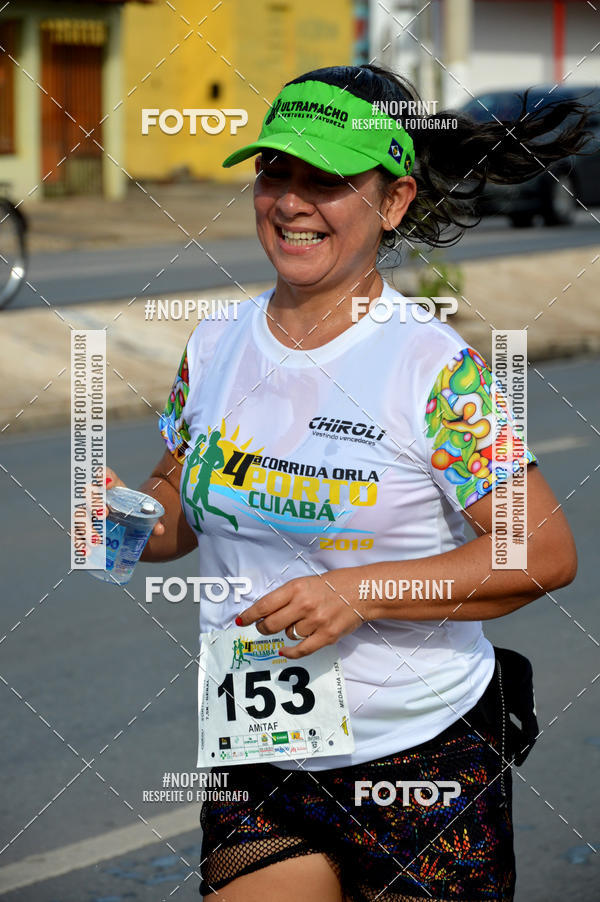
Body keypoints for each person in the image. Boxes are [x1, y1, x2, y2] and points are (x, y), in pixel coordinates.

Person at [105, 65, 583, 901]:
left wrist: (359, 592)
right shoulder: (217, 343)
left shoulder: (433, 370)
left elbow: (541, 552)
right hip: (259, 755)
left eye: (325, 180)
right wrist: (125, 522)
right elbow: (179, 505)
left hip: (423, 761)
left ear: (392, 202)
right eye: (275, 173)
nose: (290, 202)